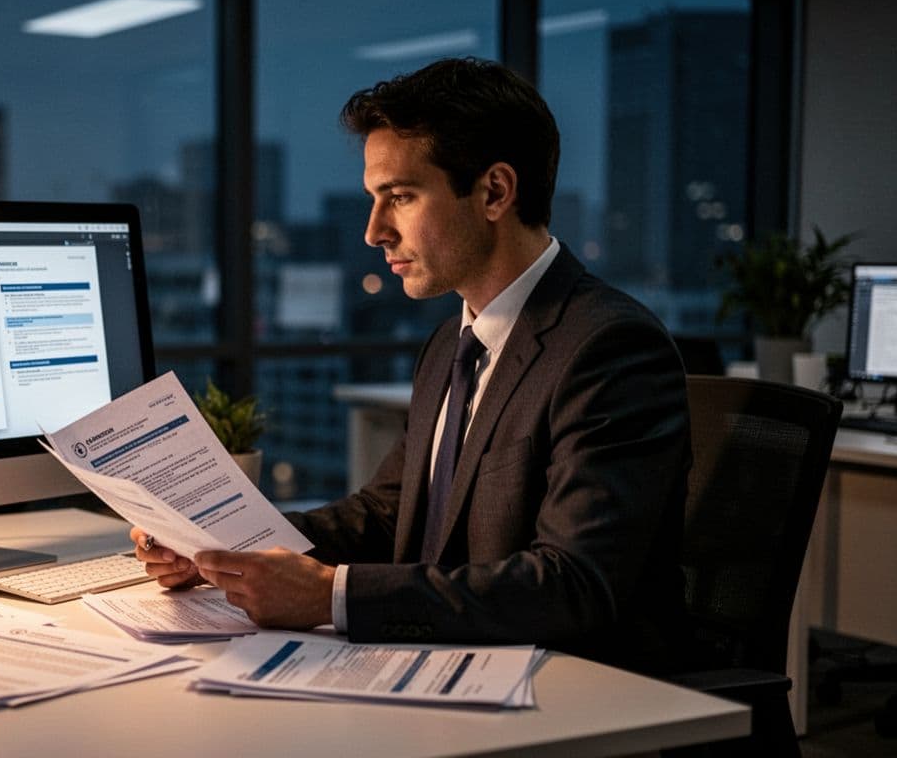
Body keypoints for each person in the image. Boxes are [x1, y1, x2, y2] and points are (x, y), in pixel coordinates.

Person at [133, 57, 690, 674]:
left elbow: (572, 585)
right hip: (445, 660)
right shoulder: (454, 341)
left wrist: (329, 596)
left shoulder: (608, 347)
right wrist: (224, 550)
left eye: (399, 197)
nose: (374, 231)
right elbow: (388, 514)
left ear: (494, 192)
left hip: (570, 689)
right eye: (375, 199)